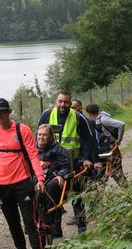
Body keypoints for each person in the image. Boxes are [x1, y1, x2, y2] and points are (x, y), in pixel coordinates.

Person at [0, 98, 48, 249]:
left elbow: (34, 156)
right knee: (13, 223)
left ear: (9, 112)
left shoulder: (22, 129)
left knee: (30, 223)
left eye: (2, 111)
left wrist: (40, 179)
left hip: (22, 183)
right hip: (2, 187)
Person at [38, 92, 100, 235]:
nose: (62, 105)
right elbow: (39, 138)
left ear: (70, 103)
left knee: (76, 196)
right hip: (51, 165)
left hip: (73, 163)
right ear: (56, 101)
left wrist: (86, 158)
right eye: (60, 101)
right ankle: (56, 230)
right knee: (54, 197)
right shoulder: (46, 115)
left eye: (66, 102)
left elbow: (88, 140)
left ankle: (82, 229)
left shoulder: (78, 117)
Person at [36, 124, 72, 237]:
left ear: (50, 136)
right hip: (38, 178)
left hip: (54, 177)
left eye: (44, 135)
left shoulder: (58, 148)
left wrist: (61, 175)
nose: (41, 137)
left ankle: (47, 222)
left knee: (52, 185)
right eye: (39, 134)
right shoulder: (33, 149)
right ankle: (33, 219)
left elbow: (66, 166)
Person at [85, 104, 128, 188]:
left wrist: (119, 139)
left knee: (117, 173)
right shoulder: (96, 120)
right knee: (102, 176)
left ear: (89, 113)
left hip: (111, 149)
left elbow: (121, 124)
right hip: (104, 149)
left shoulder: (103, 119)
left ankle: (129, 193)